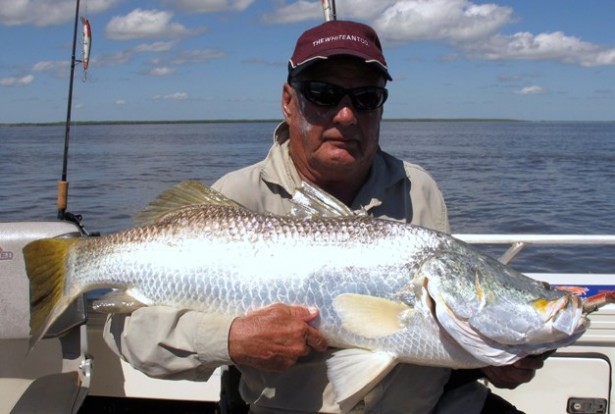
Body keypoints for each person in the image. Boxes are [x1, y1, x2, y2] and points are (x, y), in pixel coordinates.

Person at [103, 20, 543, 413]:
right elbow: (128, 333)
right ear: (288, 101)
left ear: (381, 107)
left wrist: (493, 358)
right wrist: (232, 339)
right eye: (323, 94)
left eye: (366, 98)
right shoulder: (236, 196)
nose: (346, 115)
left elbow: (433, 325)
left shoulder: (418, 188)